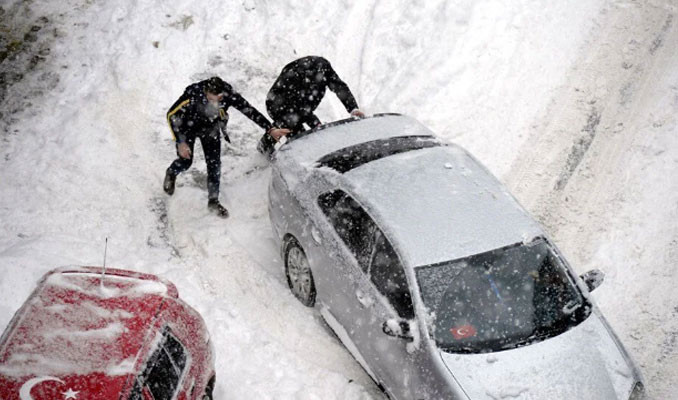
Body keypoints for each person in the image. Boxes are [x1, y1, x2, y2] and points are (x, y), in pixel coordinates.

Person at [163, 76, 289, 217]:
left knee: (214, 165)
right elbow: (172, 115)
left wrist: (270, 129)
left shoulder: (228, 94)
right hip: (188, 129)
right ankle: (172, 172)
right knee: (186, 161)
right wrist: (181, 142)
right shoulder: (193, 94)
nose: (214, 103)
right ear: (205, 92)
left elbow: (249, 110)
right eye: (211, 99)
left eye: (218, 99)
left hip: (211, 128)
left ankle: (213, 201)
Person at [258, 56, 365, 154]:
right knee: (294, 128)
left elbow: (340, 88)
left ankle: (300, 152)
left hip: (298, 107)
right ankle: (265, 147)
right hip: (277, 104)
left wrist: (353, 109)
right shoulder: (295, 75)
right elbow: (298, 108)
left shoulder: (325, 68)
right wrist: (316, 125)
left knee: (304, 137)